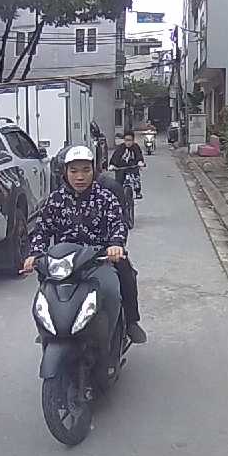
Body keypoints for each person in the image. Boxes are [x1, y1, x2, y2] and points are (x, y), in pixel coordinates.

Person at [23, 146, 146, 344]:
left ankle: (130, 321)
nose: (80, 177)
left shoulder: (105, 198)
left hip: (100, 259)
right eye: (74, 171)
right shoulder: (55, 200)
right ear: (65, 172)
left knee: (125, 274)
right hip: (64, 262)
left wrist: (115, 244)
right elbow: (42, 229)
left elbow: (118, 224)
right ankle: (50, 326)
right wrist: (34, 254)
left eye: (85, 170)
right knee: (45, 282)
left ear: (94, 171)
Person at [109, 131, 146, 199]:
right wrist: (112, 165)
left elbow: (139, 155)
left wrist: (140, 162)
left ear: (133, 140)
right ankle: (118, 194)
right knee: (118, 182)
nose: (128, 142)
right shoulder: (120, 147)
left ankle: (137, 192)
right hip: (121, 168)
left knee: (136, 177)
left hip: (132, 167)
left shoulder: (135, 147)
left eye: (130, 140)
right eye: (126, 140)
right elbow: (115, 157)